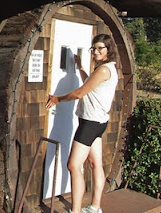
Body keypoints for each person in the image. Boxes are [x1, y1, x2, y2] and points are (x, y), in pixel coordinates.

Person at [45, 34, 118, 213]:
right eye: (94, 48)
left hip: (89, 123)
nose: (96, 51)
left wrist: (57, 99)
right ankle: (95, 207)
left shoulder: (103, 70)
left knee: (73, 165)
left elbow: (79, 93)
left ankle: (75, 211)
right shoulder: (108, 69)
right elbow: (90, 84)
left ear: (109, 49)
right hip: (98, 122)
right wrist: (80, 67)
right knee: (95, 164)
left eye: (100, 48)